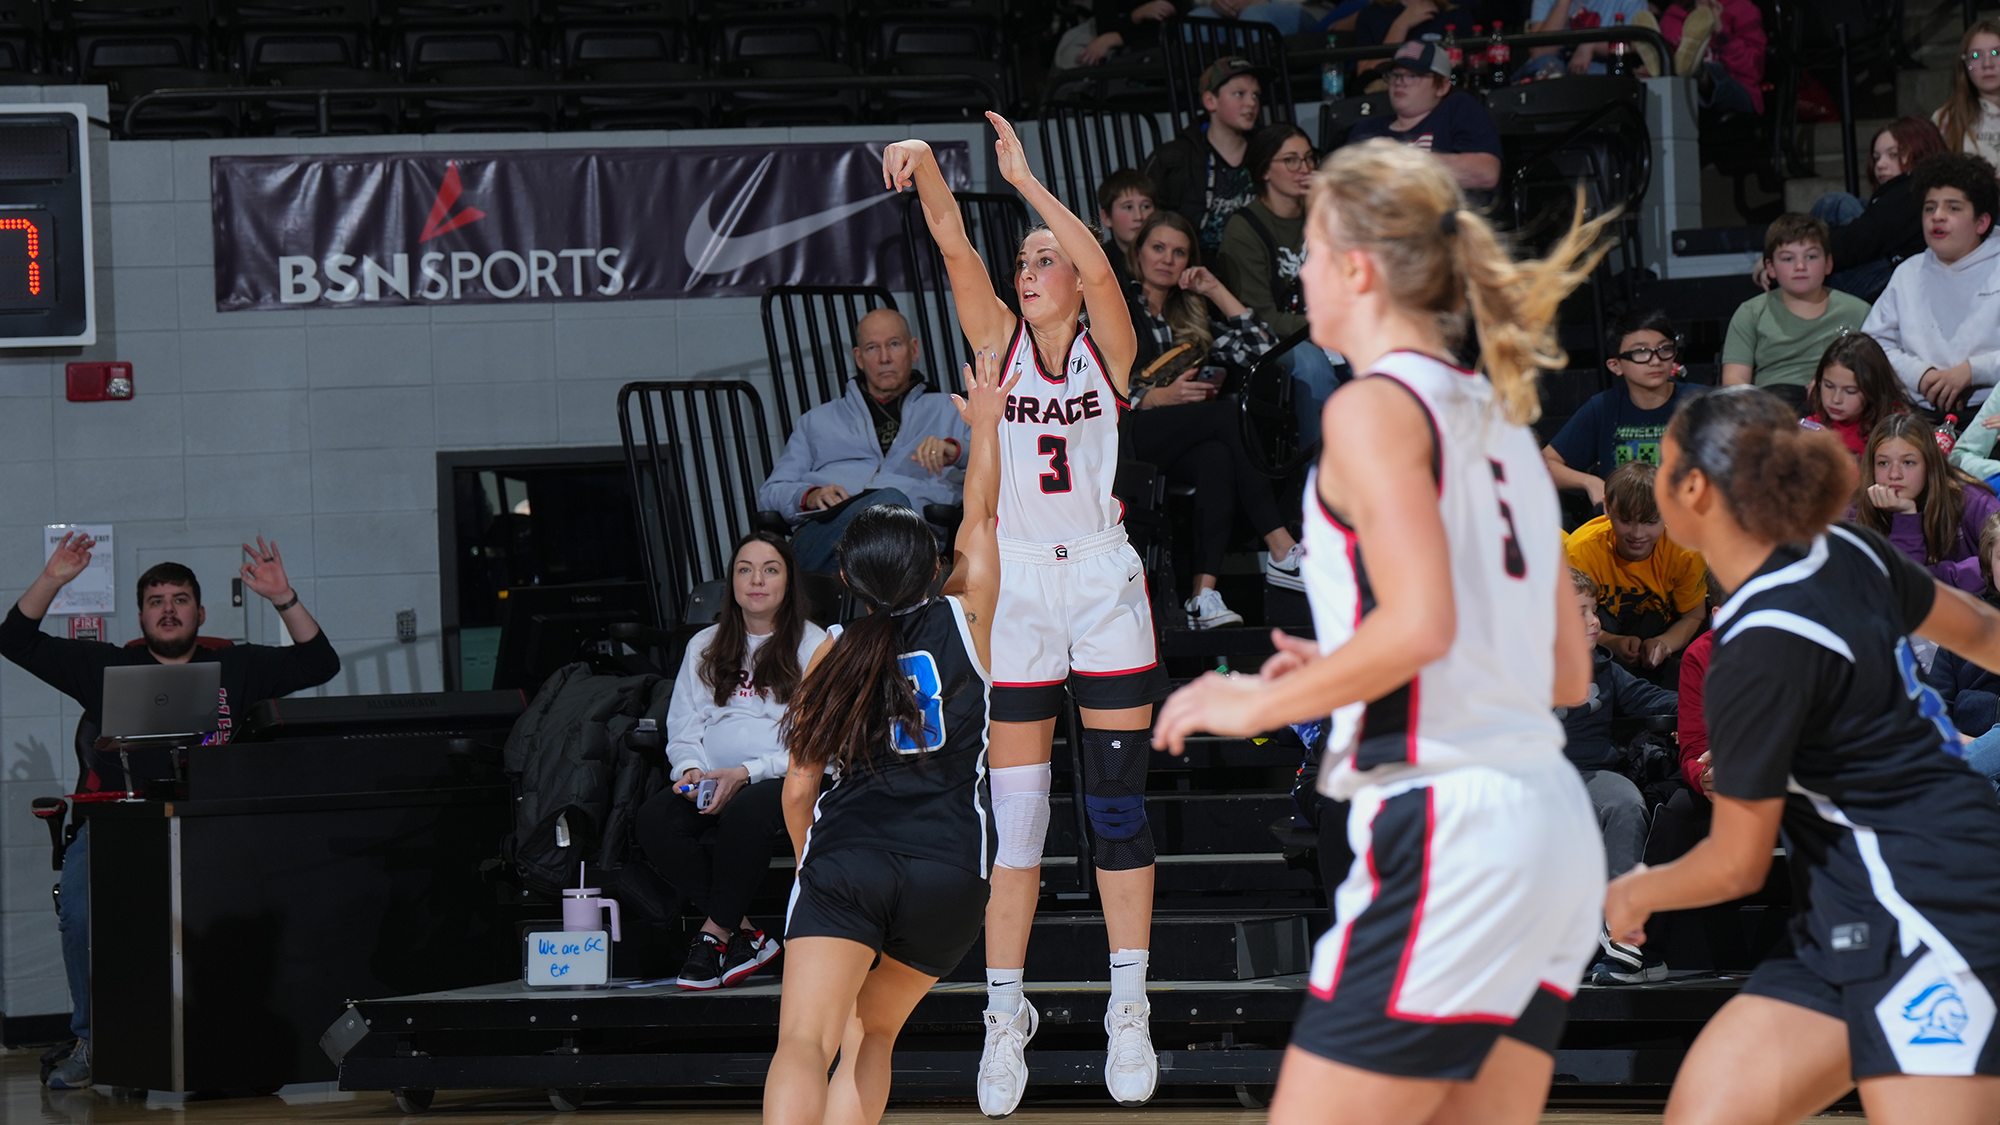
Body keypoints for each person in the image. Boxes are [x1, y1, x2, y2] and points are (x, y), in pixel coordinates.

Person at [1154, 138, 1611, 1125]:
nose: (1301, 275)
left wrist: (1258, 701)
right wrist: (1352, 659)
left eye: (1313, 253)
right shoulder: (1499, 416)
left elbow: (1421, 622)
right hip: (1547, 826)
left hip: (1446, 825)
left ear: (1358, 269)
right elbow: (1564, 670)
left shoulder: (1371, 408)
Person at [1604, 387, 2000, 1125]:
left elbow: (1737, 863)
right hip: (1846, 911)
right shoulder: (1846, 550)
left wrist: (1635, 893)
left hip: (1927, 902)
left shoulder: (1761, 642)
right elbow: (1982, 632)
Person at [884, 112, 1171, 1112]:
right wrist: (929, 166)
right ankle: (1004, 1015)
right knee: (1016, 825)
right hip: (1016, 587)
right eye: (1026, 259)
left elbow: (1100, 267)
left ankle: (1127, 1004)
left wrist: (1027, 185)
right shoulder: (995, 342)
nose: (1032, 267)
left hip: (1100, 580)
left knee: (1117, 808)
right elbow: (951, 241)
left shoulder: (1109, 348)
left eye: (1046, 258)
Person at [763, 350, 1008, 1125]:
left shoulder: (832, 652)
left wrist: (813, 863)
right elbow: (981, 513)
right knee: (874, 1032)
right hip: (949, 868)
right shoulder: (968, 621)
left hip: (850, 855)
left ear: (847, 578)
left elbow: (799, 788)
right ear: (935, 565)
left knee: (804, 1040)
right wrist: (987, 425)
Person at [0, 539, 340, 1090]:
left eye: (180, 599)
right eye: (156, 601)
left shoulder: (236, 665)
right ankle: (95, 1040)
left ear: (199, 613)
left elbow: (321, 662)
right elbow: (14, 640)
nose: (168, 609)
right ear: (141, 616)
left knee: (256, 907)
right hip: (118, 826)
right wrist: (52, 579)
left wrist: (284, 598)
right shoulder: (107, 665)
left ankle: (232, 1037)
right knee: (80, 912)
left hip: (209, 826)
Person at [633, 532, 827, 991]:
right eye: (745, 569)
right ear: (732, 581)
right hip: (713, 777)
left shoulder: (813, 643)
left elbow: (821, 740)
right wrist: (691, 771)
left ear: (788, 581)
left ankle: (714, 935)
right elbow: (684, 726)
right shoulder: (705, 643)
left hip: (787, 774)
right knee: (655, 820)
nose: (756, 580)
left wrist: (745, 774)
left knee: (745, 814)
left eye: (770, 570)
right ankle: (745, 934)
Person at [1121, 210, 1305, 627]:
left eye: (1179, 253)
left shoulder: (1191, 313)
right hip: (1126, 432)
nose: (1167, 259)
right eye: (1158, 248)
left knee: (1216, 457)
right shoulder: (1117, 305)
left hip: (1177, 441)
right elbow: (1087, 378)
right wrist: (1154, 397)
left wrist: (1216, 290)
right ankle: (1280, 546)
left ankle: (1202, 596)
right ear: (1138, 252)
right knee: (1226, 414)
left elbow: (1265, 352)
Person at [758, 308, 972, 573]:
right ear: (859, 358)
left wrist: (956, 451)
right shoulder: (817, 420)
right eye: (872, 348)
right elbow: (771, 492)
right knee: (888, 505)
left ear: (914, 349)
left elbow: (999, 466)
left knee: (892, 508)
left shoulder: (952, 410)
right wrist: (810, 496)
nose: (884, 358)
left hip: (909, 542)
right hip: (828, 537)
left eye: (894, 344)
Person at [1559, 567, 1678, 985]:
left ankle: (1622, 933)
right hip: (1537, 778)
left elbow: (1654, 699)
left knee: (1625, 802)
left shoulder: (1604, 668)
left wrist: (1714, 702)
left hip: (1592, 775)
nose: (1595, 622)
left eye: (1594, 610)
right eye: (1581, 612)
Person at [1217, 122, 1349, 449]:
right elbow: (1261, 316)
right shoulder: (1244, 228)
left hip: (1327, 325)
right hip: (1274, 335)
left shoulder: (1324, 214)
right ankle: (1319, 470)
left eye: (1309, 158)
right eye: (1291, 160)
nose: (1304, 168)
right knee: (1312, 366)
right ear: (1265, 170)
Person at [1861, 152, 2000, 415]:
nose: (1938, 216)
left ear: (1982, 222)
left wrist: (1972, 371)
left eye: (1953, 208)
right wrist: (1921, 375)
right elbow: (1873, 344)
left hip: (1992, 413)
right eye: (1930, 208)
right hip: (1918, 412)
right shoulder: (1908, 272)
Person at [1566, 461, 1709, 686]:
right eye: (1625, 520)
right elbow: (1570, 621)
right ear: (1607, 509)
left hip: (1667, 638)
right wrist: (1612, 642)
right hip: (1601, 641)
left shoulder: (1685, 551)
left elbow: (1694, 616)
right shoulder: (1580, 550)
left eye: (1650, 522)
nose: (1637, 534)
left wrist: (1664, 644)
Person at [1542, 307, 1702, 508]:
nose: (1655, 360)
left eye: (1664, 349)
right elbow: (1544, 464)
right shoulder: (1603, 407)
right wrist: (1589, 482)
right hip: (1627, 520)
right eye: (1641, 352)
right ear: (1615, 365)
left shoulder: (1700, 403)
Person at [1719, 214, 1874, 404]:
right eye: (1787, 259)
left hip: (1837, 403)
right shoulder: (1751, 313)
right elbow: (1735, 380)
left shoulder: (1858, 311)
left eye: (1811, 257)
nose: (1800, 266)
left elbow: (1875, 373)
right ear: (1770, 268)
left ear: (1828, 264)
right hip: (1773, 406)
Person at [1792, 117, 1945, 301]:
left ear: (1922, 152)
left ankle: (1792, 258)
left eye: (1893, 155)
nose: (1880, 165)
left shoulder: (1913, 189)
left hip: (1887, 284)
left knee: (1834, 203)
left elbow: (1860, 241)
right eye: (1876, 157)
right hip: (1892, 276)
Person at [1856, 412, 2000, 595]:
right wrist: (1906, 516)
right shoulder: (1857, 511)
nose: (1894, 475)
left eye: (1908, 462)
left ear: (1929, 464)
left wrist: (1937, 576)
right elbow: (1903, 587)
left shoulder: (1972, 500)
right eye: (1883, 463)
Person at [1344, 40, 1503, 202]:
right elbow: (1345, 184)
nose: (1399, 82)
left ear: (1442, 87)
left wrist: (1398, 161)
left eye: (1412, 75)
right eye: (1395, 75)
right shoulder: (1368, 128)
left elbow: (1485, 173)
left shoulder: (1457, 109)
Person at [1145, 56, 1268, 253]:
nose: (1251, 103)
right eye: (1239, 94)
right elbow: (1149, 221)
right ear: (1210, 101)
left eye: (1256, 95)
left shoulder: (1268, 152)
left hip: (1257, 262)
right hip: (1193, 265)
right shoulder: (1174, 157)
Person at [1801, 332, 1914, 460]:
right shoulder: (1813, 425)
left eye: (1850, 391)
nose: (1836, 399)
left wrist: (1835, 454)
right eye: (1829, 386)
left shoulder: (1894, 430)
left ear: (1873, 390)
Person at [1657, 0, 1764, 114]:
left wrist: (1721, 32)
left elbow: (1752, 70)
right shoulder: (1673, 15)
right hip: (1681, 92)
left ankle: (1699, 74)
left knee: (1713, 70)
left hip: (1738, 88)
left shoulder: (1742, 8)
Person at [1934, 18, 2000, 166]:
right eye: (1976, 56)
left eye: (1997, 53)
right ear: (1964, 65)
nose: (1987, 64)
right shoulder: (1946, 120)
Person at [1096, 168, 1156, 289]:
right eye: (1128, 207)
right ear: (1107, 217)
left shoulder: (1169, 258)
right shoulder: (1100, 263)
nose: (1139, 216)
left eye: (1145, 206)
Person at [1078, 0, 1186, 65]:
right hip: (1116, 45)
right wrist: (1136, 15)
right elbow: (1104, 26)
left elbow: (1169, 25)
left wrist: (1118, 38)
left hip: (1163, 50)